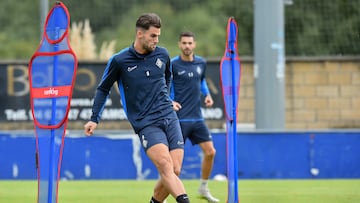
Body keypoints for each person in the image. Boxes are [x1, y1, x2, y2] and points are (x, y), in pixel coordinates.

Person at [84, 13, 190, 203]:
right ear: (140, 34)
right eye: (153, 36)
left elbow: (167, 78)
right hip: (146, 122)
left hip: (169, 116)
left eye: (158, 35)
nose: (156, 40)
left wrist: (167, 98)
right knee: (165, 166)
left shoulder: (163, 54)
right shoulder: (119, 60)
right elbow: (103, 89)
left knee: (174, 170)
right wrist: (94, 118)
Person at [170, 31, 219, 202]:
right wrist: (170, 101)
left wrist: (207, 95)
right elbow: (164, 85)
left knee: (211, 152)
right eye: (184, 43)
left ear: (194, 44)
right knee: (174, 166)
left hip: (197, 118)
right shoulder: (172, 65)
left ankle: (203, 188)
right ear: (179, 44)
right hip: (179, 120)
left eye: (190, 43)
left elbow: (202, 80)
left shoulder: (201, 63)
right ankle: (163, 196)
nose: (187, 46)